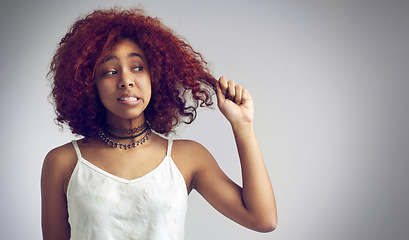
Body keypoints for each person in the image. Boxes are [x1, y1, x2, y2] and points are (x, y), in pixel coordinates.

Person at [41, 7, 277, 240]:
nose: (126, 80)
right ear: (88, 84)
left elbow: (262, 219)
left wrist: (243, 126)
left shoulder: (188, 157)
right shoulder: (62, 163)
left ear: (156, 75)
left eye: (138, 68)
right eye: (110, 71)